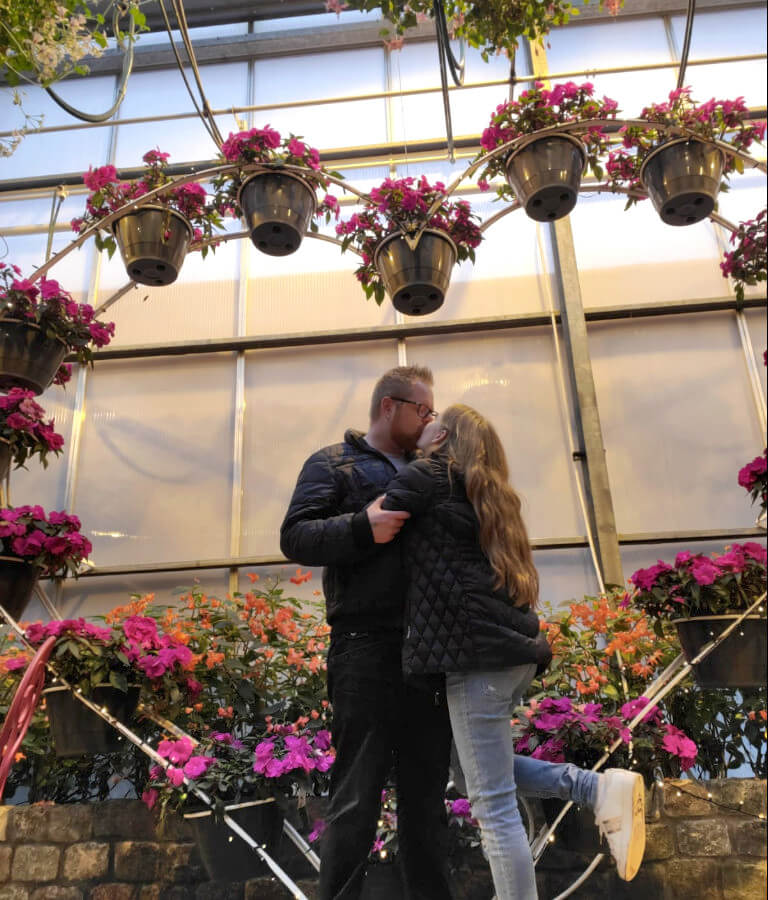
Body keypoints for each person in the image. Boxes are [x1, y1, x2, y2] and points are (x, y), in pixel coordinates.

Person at [380, 403, 647, 900]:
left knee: (493, 808)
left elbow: (377, 517)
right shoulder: (489, 492)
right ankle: (593, 788)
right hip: (508, 656)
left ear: (444, 439)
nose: (427, 420)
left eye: (435, 419)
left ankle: (590, 793)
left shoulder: (429, 475)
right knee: (472, 775)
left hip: (475, 660)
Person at [280, 365, 455, 900]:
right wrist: (362, 526)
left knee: (427, 800)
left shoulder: (437, 467)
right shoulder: (333, 462)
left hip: (430, 649)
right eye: (422, 410)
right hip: (365, 646)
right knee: (356, 794)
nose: (429, 418)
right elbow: (295, 536)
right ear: (389, 407)